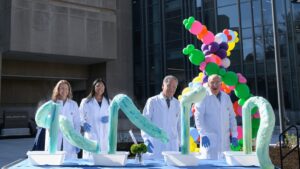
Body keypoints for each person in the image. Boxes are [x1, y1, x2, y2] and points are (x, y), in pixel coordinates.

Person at [194, 74, 238, 159]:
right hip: (209, 140)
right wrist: (202, 134)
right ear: (208, 84)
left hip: (225, 141)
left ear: (221, 84)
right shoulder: (203, 97)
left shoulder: (226, 97)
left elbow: (232, 116)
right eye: (212, 82)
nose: (215, 85)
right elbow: (198, 117)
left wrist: (234, 135)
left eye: (217, 82)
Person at [141, 75, 181, 159]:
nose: (171, 89)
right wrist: (146, 140)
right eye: (169, 85)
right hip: (155, 144)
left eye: (174, 87)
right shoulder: (152, 101)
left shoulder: (178, 104)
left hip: (172, 145)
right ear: (163, 86)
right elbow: (144, 122)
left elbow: (179, 126)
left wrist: (181, 142)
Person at [45, 80, 81, 160]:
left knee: (70, 162)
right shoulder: (52, 104)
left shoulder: (73, 104)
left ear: (69, 90)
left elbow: (77, 123)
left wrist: (77, 141)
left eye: (66, 88)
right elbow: (47, 121)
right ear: (57, 90)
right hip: (55, 136)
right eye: (62, 88)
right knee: (54, 161)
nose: (64, 90)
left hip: (69, 138)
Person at [79, 79, 110, 160]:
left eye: (102, 86)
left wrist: (109, 118)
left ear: (105, 88)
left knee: (104, 160)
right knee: (90, 160)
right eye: (98, 86)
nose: (100, 88)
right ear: (94, 88)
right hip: (91, 134)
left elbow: (113, 117)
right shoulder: (86, 101)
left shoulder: (109, 102)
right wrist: (83, 123)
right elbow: (79, 116)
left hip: (105, 135)